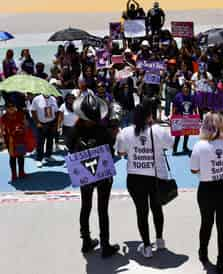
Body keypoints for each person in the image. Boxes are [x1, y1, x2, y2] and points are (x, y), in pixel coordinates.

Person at [116, 100, 174, 258]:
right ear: (150, 116)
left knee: (142, 212)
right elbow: (171, 145)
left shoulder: (126, 132)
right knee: (157, 208)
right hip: (156, 177)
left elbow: (120, 153)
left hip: (136, 178)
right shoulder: (159, 131)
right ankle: (160, 240)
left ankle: (147, 246)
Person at [190, 112, 223, 274]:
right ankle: (221, 260)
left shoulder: (200, 145)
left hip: (207, 189)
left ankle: (203, 253)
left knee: (206, 222)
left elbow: (194, 170)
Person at [69, 94, 120, 258]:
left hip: (84, 173)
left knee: (86, 206)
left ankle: (86, 242)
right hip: (102, 175)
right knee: (102, 209)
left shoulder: (75, 130)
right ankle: (105, 245)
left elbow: (70, 149)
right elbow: (111, 152)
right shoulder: (102, 131)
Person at [0, 100, 28, 181]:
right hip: (10, 140)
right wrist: (2, 139)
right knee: (12, 157)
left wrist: (22, 127)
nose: (11, 108)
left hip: (20, 139)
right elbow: (2, 129)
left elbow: (26, 125)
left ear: (15, 107)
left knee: (21, 156)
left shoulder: (20, 114)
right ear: (6, 108)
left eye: (12, 106)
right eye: (9, 107)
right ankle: (14, 175)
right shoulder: (3, 117)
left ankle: (21, 172)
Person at [31, 94, 59, 167]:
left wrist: (55, 123)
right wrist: (37, 123)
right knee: (40, 142)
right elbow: (33, 111)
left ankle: (48, 156)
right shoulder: (36, 99)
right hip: (41, 123)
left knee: (50, 140)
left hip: (51, 123)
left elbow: (56, 112)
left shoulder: (53, 99)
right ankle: (39, 159)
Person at [172, 82, 197, 155]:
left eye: (187, 87)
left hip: (189, 118)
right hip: (180, 117)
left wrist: (196, 115)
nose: (185, 89)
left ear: (189, 88)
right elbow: (174, 107)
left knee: (187, 133)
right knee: (178, 134)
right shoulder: (178, 96)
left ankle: (184, 147)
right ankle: (175, 149)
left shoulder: (192, 97)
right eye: (184, 87)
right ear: (182, 88)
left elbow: (194, 107)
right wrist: (173, 116)